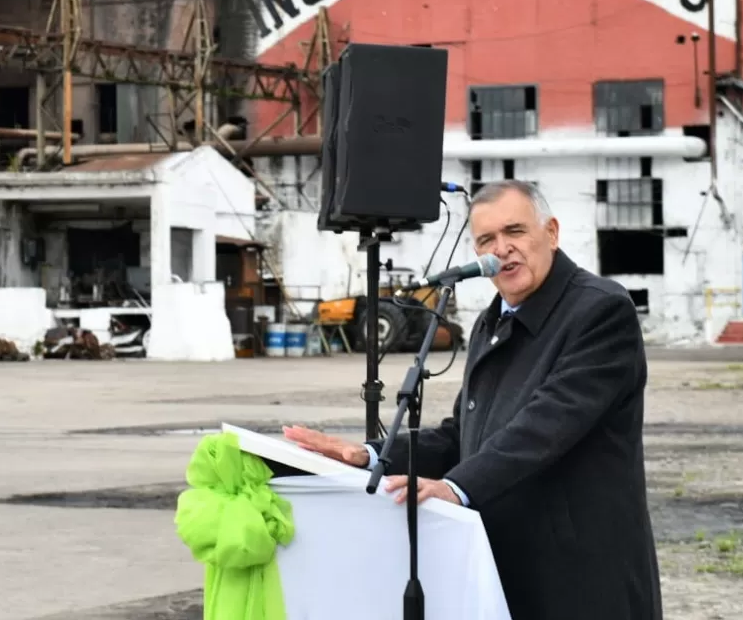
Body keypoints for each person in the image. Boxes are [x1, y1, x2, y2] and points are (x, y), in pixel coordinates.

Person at [283, 180, 662, 620]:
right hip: (508, 567)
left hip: (582, 576)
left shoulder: (599, 310)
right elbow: (463, 434)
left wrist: (456, 488)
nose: (502, 249)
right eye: (487, 240)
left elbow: (546, 425)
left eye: (515, 231)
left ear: (552, 233)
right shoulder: (492, 322)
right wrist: (371, 455)